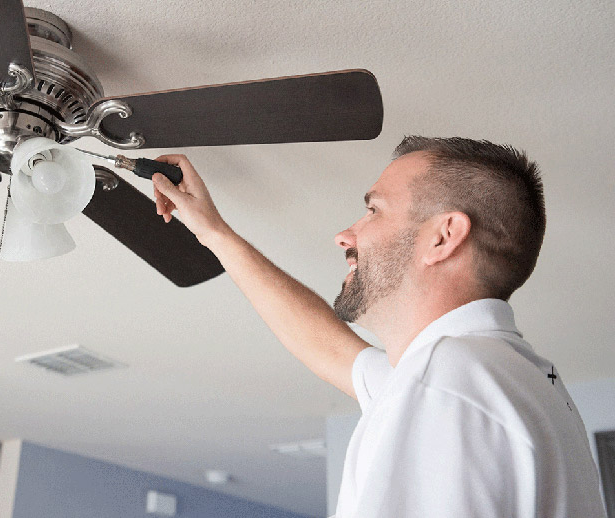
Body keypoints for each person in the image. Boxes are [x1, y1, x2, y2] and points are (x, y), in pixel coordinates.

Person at [150, 136, 606, 518]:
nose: (345, 235)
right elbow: (330, 350)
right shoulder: (502, 376)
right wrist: (213, 233)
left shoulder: (447, 381)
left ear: (443, 237)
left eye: (374, 210)